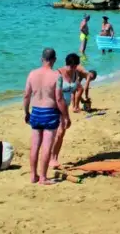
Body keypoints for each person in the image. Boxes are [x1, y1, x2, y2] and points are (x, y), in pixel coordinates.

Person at [22, 48, 67, 185]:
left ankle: (33, 175)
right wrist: (65, 116)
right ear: (54, 60)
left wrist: (26, 112)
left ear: (42, 59)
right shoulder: (57, 76)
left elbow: (26, 95)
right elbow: (59, 99)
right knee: (47, 145)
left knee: (35, 145)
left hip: (36, 111)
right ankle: (43, 177)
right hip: (50, 113)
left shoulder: (32, 74)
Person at [49, 53, 95, 169]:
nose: (73, 68)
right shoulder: (57, 74)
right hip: (55, 107)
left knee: (61, 133)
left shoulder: (74, 74)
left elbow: (78, 87)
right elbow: (49, 90)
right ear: (71, 64)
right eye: (73, 66)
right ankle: (52, 159)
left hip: (65, 107)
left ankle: (54, 158)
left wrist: (80, 102)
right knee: (58, 133)